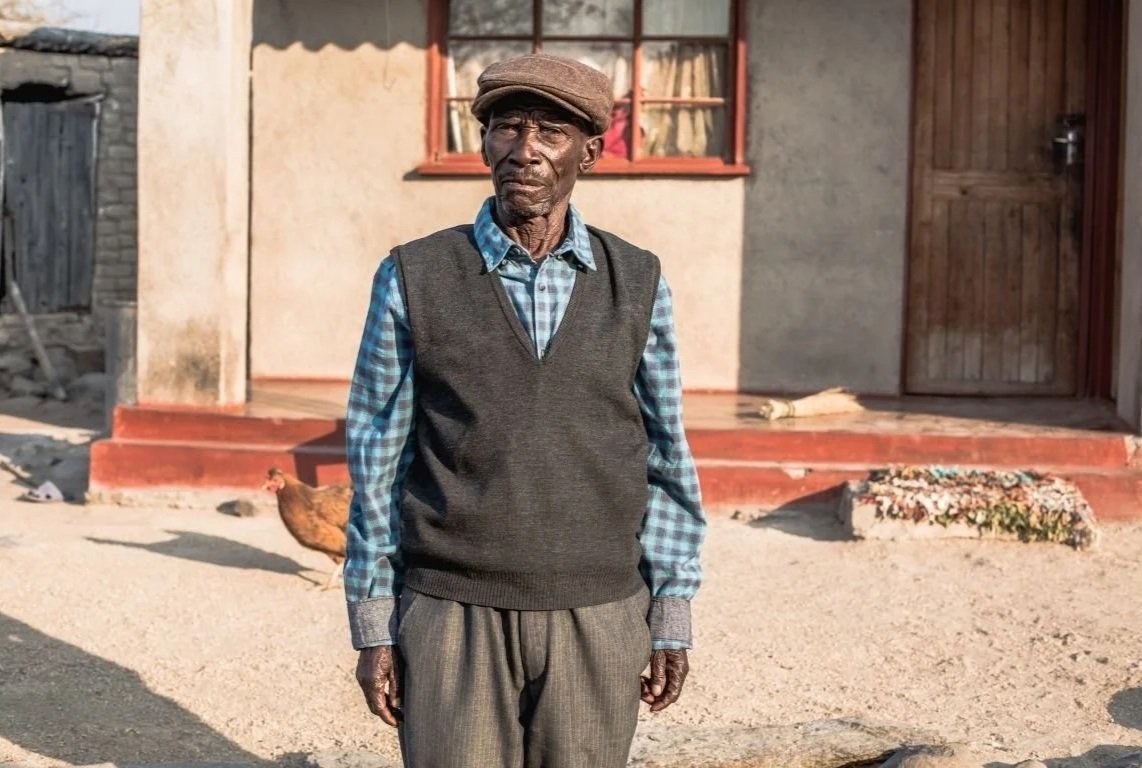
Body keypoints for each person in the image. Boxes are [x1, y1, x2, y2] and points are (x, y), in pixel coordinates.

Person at [344, 53, 706, 768]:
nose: (526, 150)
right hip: (451, 609)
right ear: (485, 144)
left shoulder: (637, 281)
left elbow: (667, 454)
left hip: (600, 610)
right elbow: (376, 456)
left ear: (589, 154)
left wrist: (671, 610)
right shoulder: (414, 276)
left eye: (552, 132)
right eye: (507, 127)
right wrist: (375, 622)